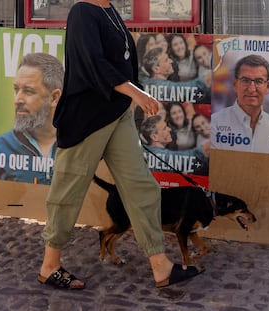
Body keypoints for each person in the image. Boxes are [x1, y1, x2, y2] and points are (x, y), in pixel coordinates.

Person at [37, 0, 203, 290]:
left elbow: (124, 60)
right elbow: (93, 62)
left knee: (142, 186)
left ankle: (160, 265)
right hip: (86, 116)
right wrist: (136, 93)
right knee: (68, 189)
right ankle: (50, 265)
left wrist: (129, 96)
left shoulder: (109, 10)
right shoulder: (82, 12)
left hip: (116, 114)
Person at [0, 53, 63, 185]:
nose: (17, 99)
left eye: (28, 91)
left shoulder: (78, 147)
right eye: (16, 89)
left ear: (54, 98)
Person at [211, 54, 269, 155]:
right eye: (245, 81)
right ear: (234, 84)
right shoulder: (214, 125)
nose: (252, 89)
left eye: (259, 81)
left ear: (268, 86)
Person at [140, 115, 209, 175]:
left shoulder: (143, 151)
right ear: (154, 137)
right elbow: (196, 154)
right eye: (164, 128)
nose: (169, 129)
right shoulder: (163, 156)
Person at [142, 47, 211, 104]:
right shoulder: (159, 86)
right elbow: (182, 88)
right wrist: (206, 78)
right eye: (166, 60)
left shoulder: (149, 82)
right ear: (156, 69)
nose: (171, 61)